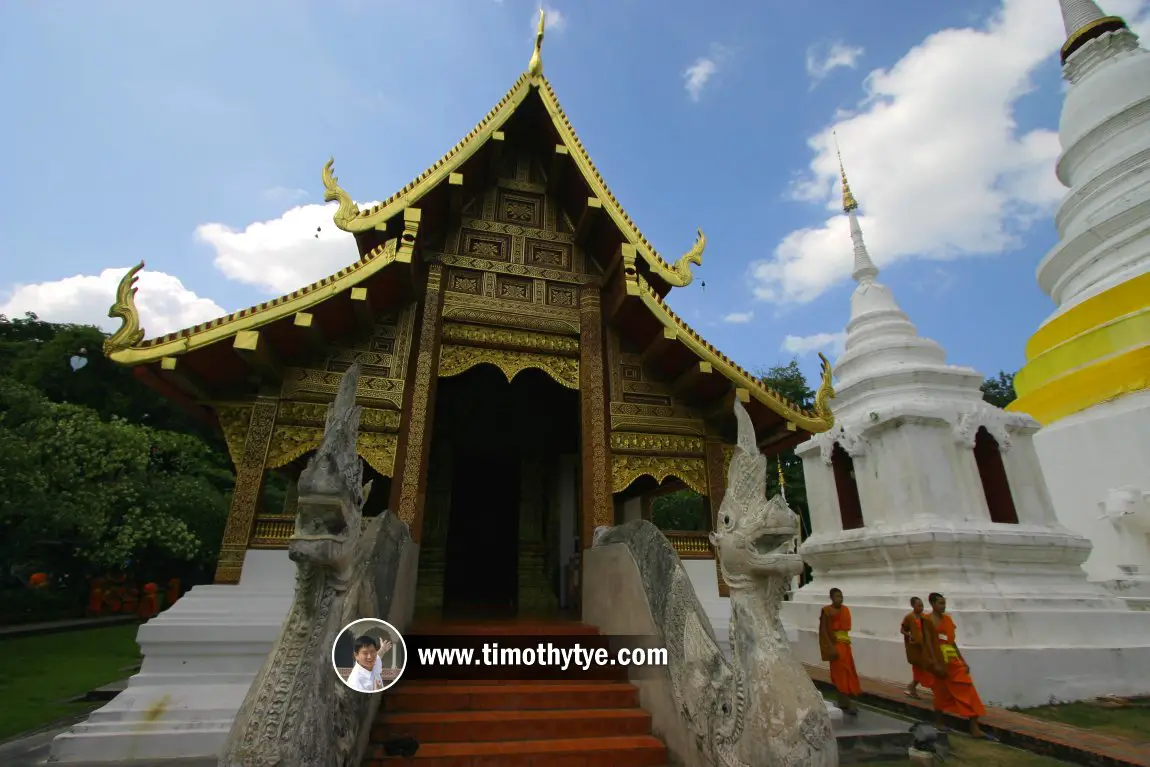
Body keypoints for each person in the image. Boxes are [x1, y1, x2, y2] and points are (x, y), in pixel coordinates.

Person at [922, 593, 994, 739]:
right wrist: (935, 663)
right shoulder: (927, 620)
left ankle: (974, 727)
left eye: (944, 603)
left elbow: (952, 642)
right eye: (940, 603)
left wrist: (963, 660)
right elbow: (928, 642)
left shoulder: (947, 619)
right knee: (941, 692)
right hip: (939, 660)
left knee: (968, 690)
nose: (943, 606)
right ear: (933, 604)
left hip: (953, 661)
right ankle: (939, 722)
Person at [818, 587, 861, 715]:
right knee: (839, 674)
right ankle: (844, 701)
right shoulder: (826, 611)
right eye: (837, 596)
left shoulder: (845, 609)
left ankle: (847, 701)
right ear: (831, 597)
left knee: (848, 672)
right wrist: (828, 647)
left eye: (841, 596)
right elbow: (824, 631)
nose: (840, 599)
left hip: (845, 645)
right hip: (835, 645)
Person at [900, 596, 934, 698]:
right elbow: (902, 630)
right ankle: (912, 688)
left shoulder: (925, 617)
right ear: (912, 606)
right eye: (918, 605)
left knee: (927, 669)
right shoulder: (909, 617)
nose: (921, 607)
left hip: (925, 648)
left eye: (922, 605)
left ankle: (911, 687)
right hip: (915, 649)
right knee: (920, 669)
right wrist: (910, 635)